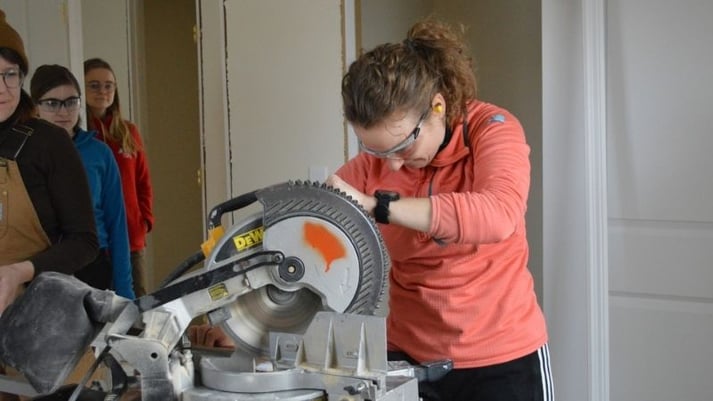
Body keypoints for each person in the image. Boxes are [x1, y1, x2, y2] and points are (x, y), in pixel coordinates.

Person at [324, 19, 554, 401]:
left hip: (503, 359)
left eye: (402, 147)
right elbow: (306, 224)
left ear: (437, 106)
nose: (391, 165)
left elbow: (497, 214)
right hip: (409, 359)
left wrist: (378, 206)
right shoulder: (376, 163)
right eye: (377, 151)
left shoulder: (491, 129)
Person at [0, 11, 98, 314]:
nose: (3, 88)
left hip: (41, 325)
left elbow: (84, 241)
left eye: (10, 74)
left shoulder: (48, 143)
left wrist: (20, 271)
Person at [30, 64, 135, 299]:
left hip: (93, 263)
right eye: (52, 103)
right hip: (41, 266)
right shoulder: (26, 152)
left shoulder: (99, 154)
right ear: (36, 107)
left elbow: (117, 224)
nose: (63, 111)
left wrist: (126, 291)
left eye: (71, 101)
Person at [84, 57, 153, 297]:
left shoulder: (128, 132)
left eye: (108, 85)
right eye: (94, 85)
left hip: (131, 235)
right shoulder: (82, 137)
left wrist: (145, 220)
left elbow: (143, 181)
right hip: (96, 239)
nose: (102, 91)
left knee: (136, 304)